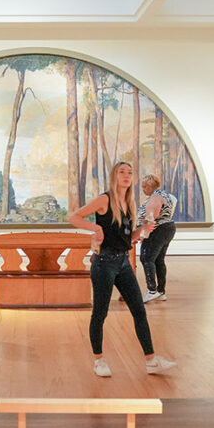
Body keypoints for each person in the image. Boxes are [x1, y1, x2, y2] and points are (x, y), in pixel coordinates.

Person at [67, 161, 177, 378]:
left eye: (130, 173)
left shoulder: (130, 203)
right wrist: (95, 227)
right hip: (103, 264)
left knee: (139, 311)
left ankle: (151, 360)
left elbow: (127, 238)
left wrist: (143, 230)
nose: (126, 176)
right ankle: (99, 360)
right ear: (114, 176)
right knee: (100, 313)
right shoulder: (104, 199)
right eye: (122, 172)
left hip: (123, 264)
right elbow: (74, 217)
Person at [137, 174, 178, 303]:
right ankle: (161, 291)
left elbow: (151, 216)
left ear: (150, 186)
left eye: (144, 187)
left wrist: (143, 234)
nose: (143, 190)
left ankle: (152, 291)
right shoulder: (165, 195)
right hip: (168, 228)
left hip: (158, 230)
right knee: (158, 260)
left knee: (146, 258)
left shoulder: (155, 197)